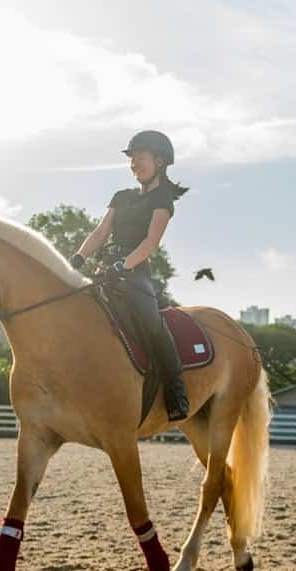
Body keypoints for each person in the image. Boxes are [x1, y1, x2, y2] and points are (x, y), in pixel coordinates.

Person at [69, 130, 190, 421]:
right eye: (132, 160)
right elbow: (100, 232)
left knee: (153, 325)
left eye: (140, 158)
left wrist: (124, 264)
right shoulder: (121, 196)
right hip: (105, 268)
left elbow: (151, 242)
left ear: (159, 161)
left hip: (134, 272)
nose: (135, 164)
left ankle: (176, 394)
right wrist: (78, 257)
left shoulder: (163, 199)